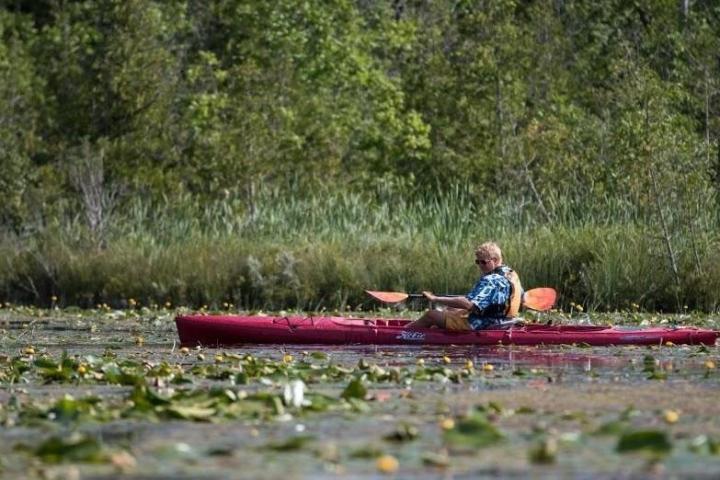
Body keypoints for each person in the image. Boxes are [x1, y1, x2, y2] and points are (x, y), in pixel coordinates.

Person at [406, 242, 522, 330]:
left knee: (431, 315)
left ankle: (402, 333)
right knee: (450, 309)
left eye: (483, 262)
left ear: (495, 260)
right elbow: (521, 296)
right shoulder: (511, 274)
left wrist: (435, 298)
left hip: (486, 323)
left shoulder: (491, 280)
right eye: (478, 262)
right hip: (504, 320)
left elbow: (468, 304)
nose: (480, 266)